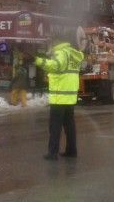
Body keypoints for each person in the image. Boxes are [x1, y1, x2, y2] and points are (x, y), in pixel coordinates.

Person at [34, 31, 84, 160]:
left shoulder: (61, 53)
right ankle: (72, 151)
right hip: (70, 96)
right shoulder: (73, 54)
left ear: (57, 42)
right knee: (69, 126)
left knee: (55, 126)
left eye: (52, 42)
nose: (50, 44)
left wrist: (38, 61)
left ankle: (52, 153)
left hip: (59, 95)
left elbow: (56, 66)